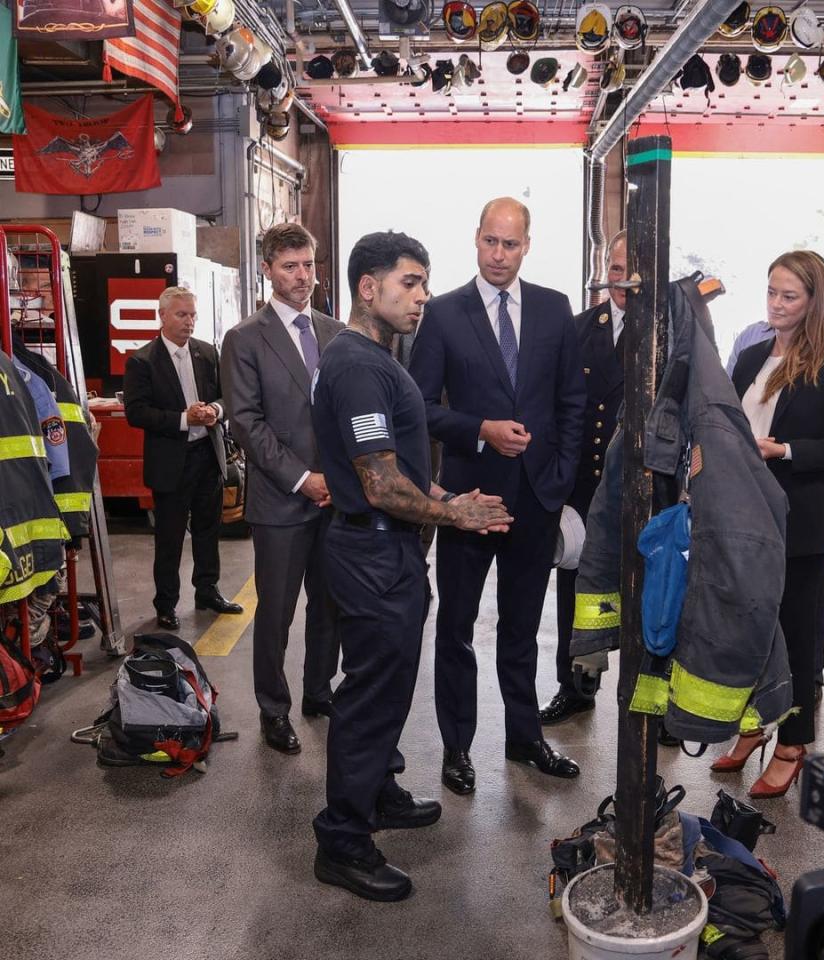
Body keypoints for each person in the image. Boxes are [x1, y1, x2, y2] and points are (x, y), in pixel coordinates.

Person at [311, 230, 511, 901]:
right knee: (370, 696)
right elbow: (378, 484)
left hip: (387, 547)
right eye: (409, 283)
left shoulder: (378, 359)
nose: (422, 297)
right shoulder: (359, 367)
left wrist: (452, 498)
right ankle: (342, 838)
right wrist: (453, 515)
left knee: (389, 686)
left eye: (425, 283)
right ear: (368, 288)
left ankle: (375, 793)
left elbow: (403, 475)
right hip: (372, 549)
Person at [409, 197, 586, 795]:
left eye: (511, 244)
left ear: (527, 245)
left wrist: (557, 480)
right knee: (456, 626)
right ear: (476, 239)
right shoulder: (444, 314)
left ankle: (524, 735)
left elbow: (571, 404)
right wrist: (480, 429)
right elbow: (423, 408)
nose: (499, 255)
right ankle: (457, 747)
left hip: (536, 499)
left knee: (522, 627)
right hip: (468, 500)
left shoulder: (555, 309)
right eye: (491, 241)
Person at [723, 251, 824, 798]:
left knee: (798, 638)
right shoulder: (750, 355)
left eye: (790, 296)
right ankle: (752, 726)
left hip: (800, 524)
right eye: (771, 293)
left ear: (813, 301)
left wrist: (784, 450)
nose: (776, 305)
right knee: (748, 633)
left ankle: (792, 743)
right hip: (743, 517)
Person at [221, 224, 342, 755]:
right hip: (282, 501)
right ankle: (274, 709)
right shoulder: (245, 338)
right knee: (276, 613)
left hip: (337, 499)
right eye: (290, 266)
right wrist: (302, 478)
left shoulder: (337, 333)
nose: (302, 277)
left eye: (309, 265)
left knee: (330, 606)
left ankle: (319, 691)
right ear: (268, 270)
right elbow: (247, 423)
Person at [539, 230, 626, 726]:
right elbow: (560, 410)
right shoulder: (579, 327)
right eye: (613, 269)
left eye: (630, 270)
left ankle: (650, 703)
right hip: (584, 489)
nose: (621, 281)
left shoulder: (669, 330)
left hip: (641, 490)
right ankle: (575, 687)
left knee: (645, 597)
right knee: (577, 592)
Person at [123, 287, 242, 631]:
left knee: (209, 530)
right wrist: (182, 419)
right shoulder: (142, 361)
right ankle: (166, 604)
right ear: (161, 316)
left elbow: (227, 395)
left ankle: (207, 591)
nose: (189, 322)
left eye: (192, 315)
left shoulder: (207, 352)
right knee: (170, 538)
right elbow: (136, 412)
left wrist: (215, 411)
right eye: (181, 315)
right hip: (171, 461)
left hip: (207, 455)